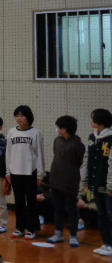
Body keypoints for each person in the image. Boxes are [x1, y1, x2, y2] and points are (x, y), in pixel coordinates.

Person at [6, 105, 45, 240]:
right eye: (17, 115)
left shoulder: (36, 133)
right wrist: (8, 171)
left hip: (30, 172)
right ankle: (20, 228)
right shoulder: (11, 132)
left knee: (31, 202)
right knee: (19, 202)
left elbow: (40, 154)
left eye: (22, 115)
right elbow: (8, 153)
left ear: (28, 117)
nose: (19, 118)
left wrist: (40, 174)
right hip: (15, 172)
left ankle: (31, 229)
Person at [45, 115, 85, 248]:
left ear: (66, 128)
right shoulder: (57, 140)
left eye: (60, 127)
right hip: (55, 179)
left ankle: (73, 235)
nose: (57, 130)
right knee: (58, 208)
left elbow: (78, 162)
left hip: (70, 181)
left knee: (71, 209)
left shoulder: (77, 144)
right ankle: (58, 234)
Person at [81, 108, 112, 256]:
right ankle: (106, 244)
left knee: (110, 214)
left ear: (100, 120)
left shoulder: (110, 139)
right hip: (96, 183)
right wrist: (86, 179)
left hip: (107, 185)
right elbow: (87, 159)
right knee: (101, 214)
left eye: (92, 118)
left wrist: (110, 185)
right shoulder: (92, 137)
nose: (91, 121)